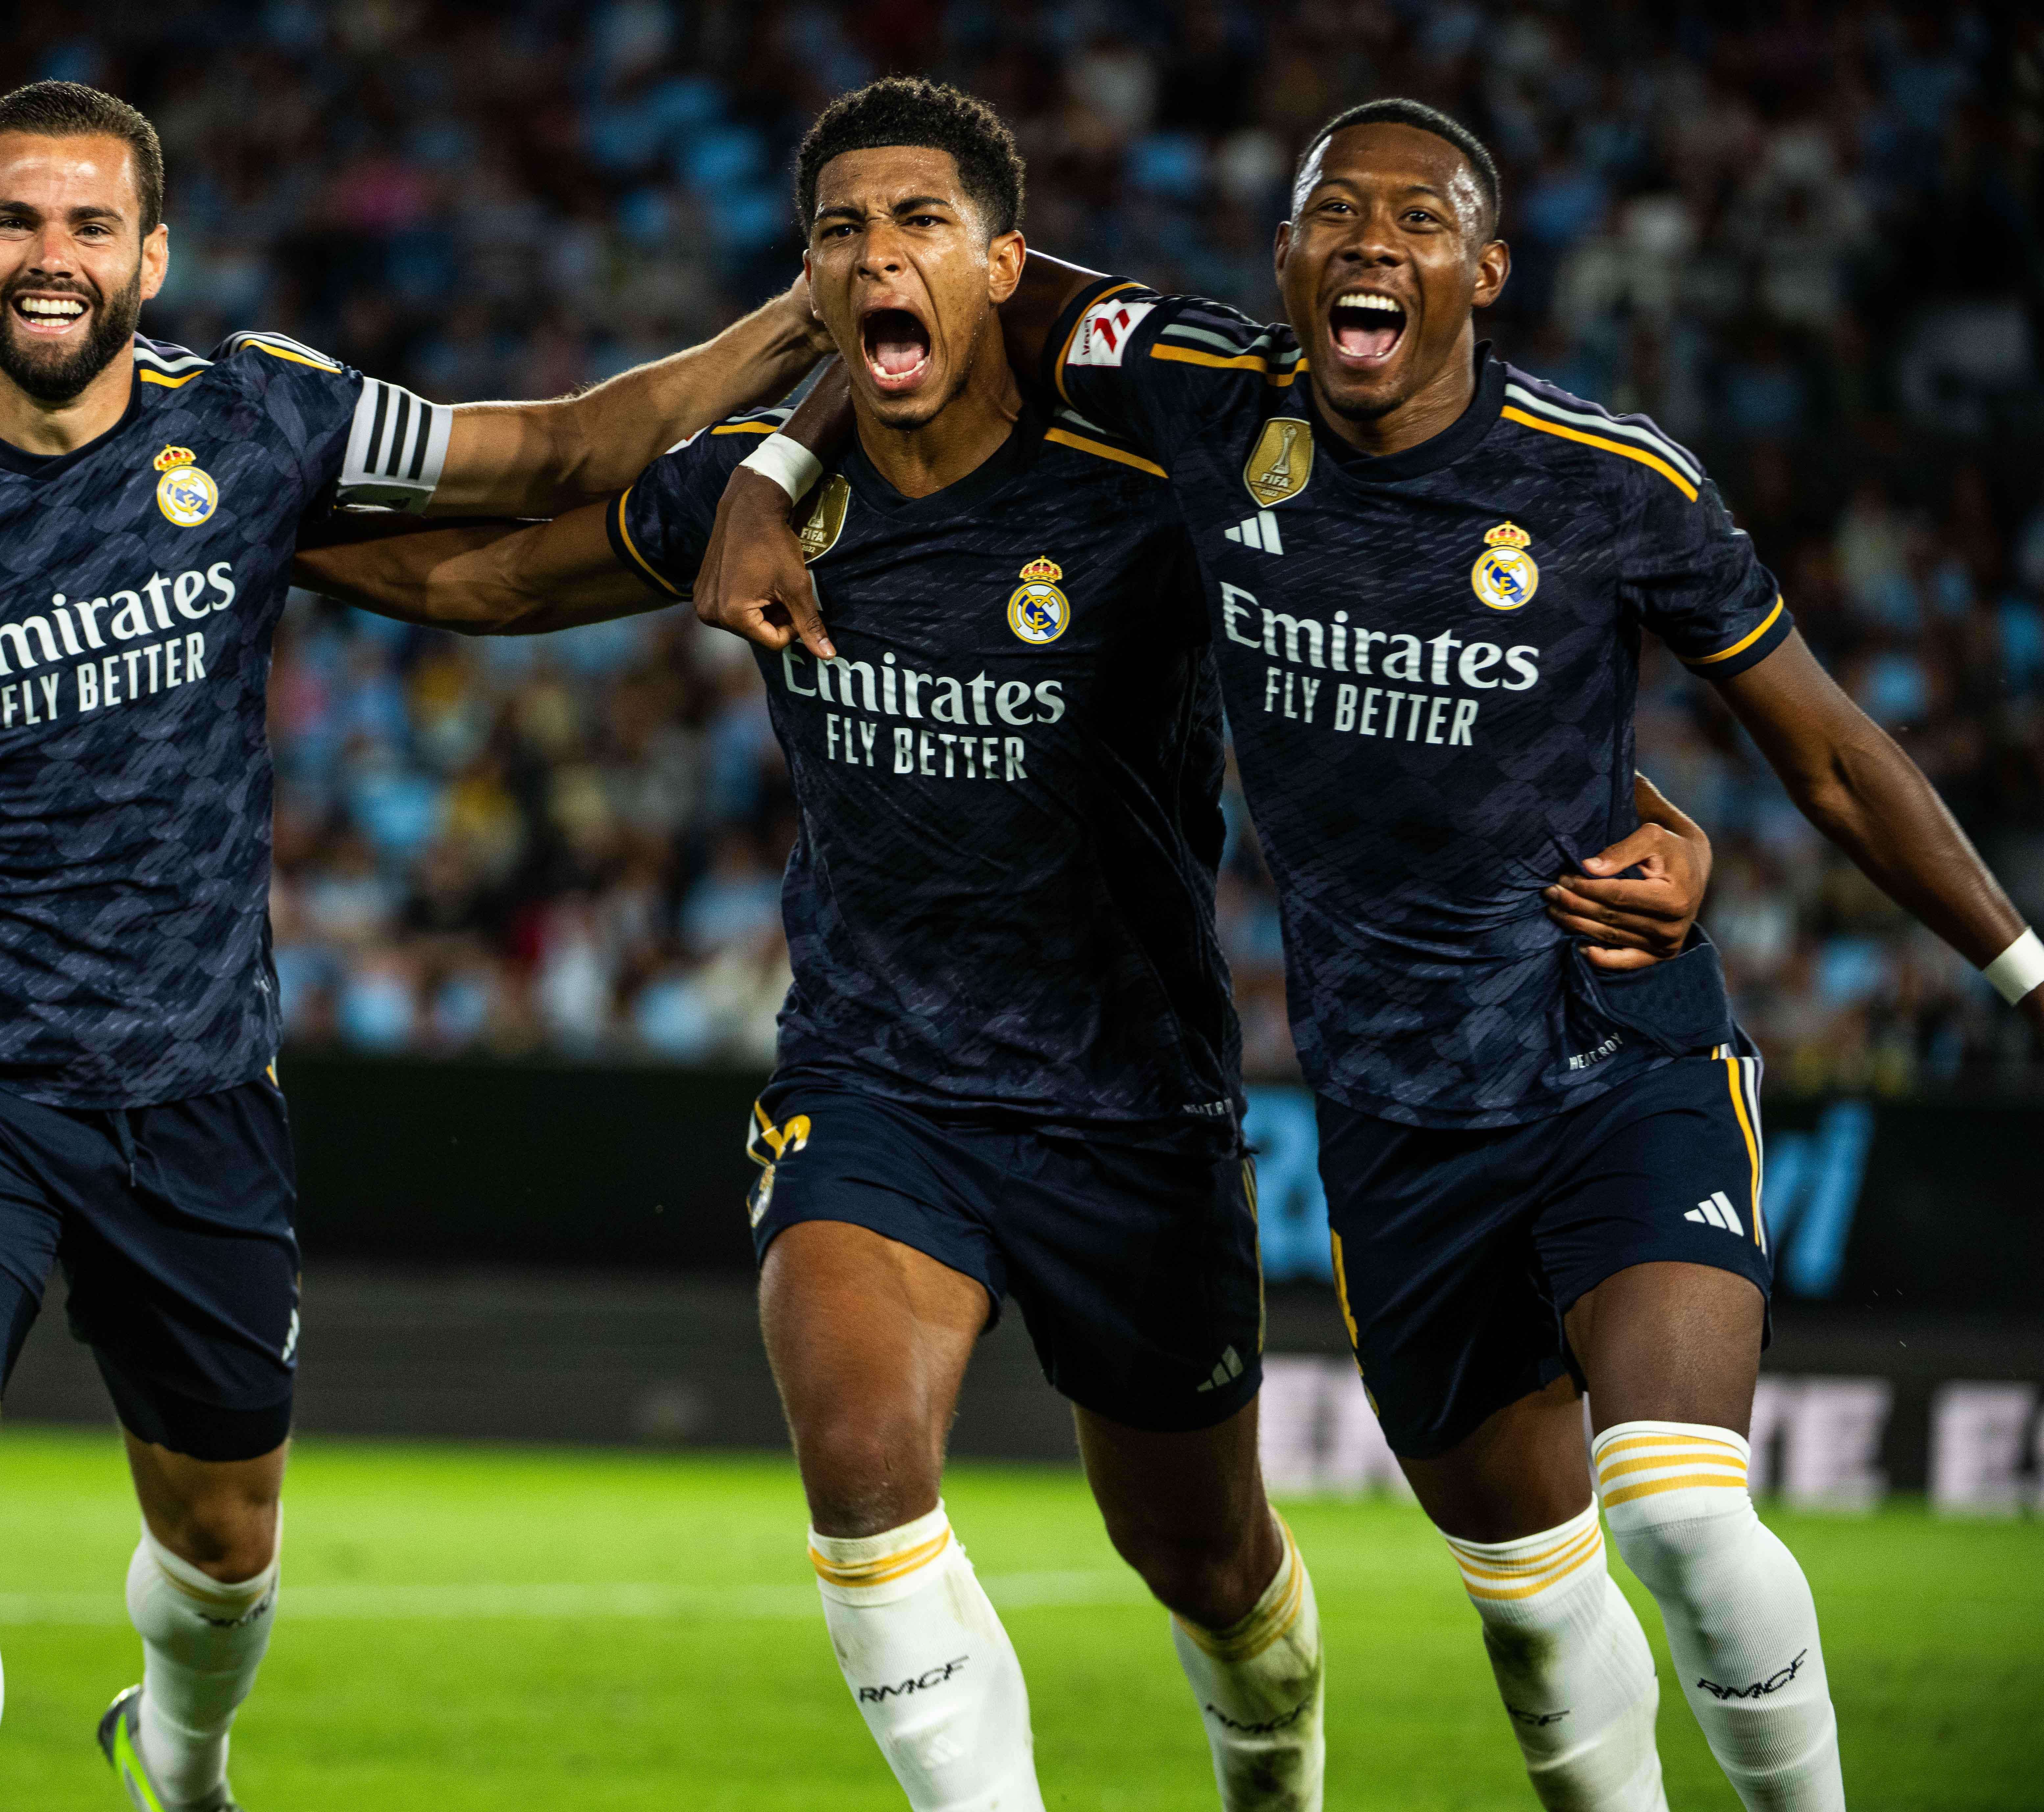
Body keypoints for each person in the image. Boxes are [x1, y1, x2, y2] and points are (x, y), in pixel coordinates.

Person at [295, 79, 1710, 1812]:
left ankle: (1272, 1763)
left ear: (1005, 266)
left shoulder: (1152, 487)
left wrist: (1649, 811)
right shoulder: (761, 495)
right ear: (809, 280)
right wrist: (250, 529)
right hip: (877, 1081)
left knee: (1207, 1566)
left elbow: (1399, 648)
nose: (879, 256)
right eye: (841, 231)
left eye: (921, 224)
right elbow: (496, 580)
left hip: (1135, 1105)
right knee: (860, 1463)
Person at [703, 94, 2044, 1812]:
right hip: (1398, 1134)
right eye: (1336, 213)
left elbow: (1834, 757)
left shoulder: (1611, 478)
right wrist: (772, 470)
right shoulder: (1198, 391)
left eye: (1421, 221)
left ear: (1487, 269)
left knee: (1683, 1515)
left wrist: (2027, 977)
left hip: (1609, 1053)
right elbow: (947, 303)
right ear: (1284, 260)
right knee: (1540, 1621)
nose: (1372, 243)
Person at [0, 80, 823, 1812]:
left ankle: (181, 1752)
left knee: (227, 1546)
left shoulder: (254, 419)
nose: (53, 256)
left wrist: (797, 325)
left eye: (91, 225)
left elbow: (554, 450)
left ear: (151, 256)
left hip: (195, 1089)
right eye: (18, 221)